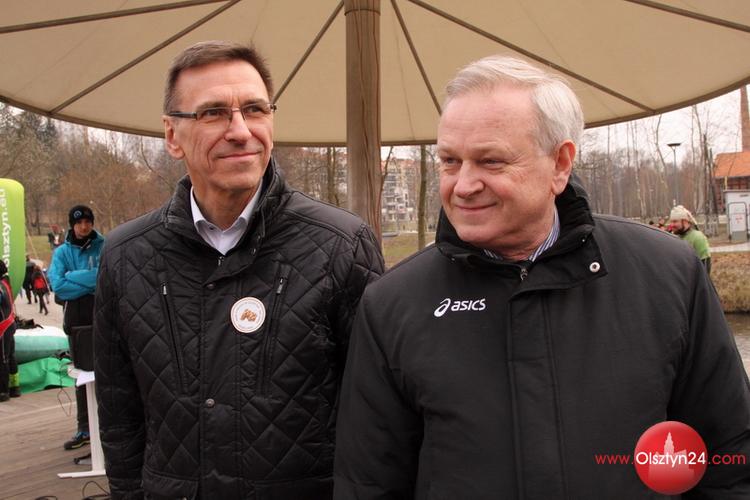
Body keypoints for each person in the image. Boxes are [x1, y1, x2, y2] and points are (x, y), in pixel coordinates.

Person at [334, 56, 750, 499]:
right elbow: (368, 485)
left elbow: (729, 460)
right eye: (450, 161)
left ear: (560, 164)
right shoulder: (392, 304)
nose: (463, 185)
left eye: (491, 161)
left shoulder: (669, 274)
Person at [94, 40, 383, 499]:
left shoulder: (340, 245)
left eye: (254, 109)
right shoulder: (126, 255)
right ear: (172, 135)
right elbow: (119, 414)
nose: (241, 131)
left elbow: (377, 416)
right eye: (213, 113)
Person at [49, 204, 104, 450]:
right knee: (82, 377)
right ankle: (85, 428)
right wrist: (89, 280)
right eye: (79, 223)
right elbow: (58, 286)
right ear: (72, 225)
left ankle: (110, 425)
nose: (84, 227)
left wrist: (73, 275)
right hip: (76, 322)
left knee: (109, 374)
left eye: (88, 222)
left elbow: (104, 277)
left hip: (102, 317)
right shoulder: (62, 252)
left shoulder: (104, 245)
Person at [669, 204, 712, 275]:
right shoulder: (672, 237)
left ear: (685, 221)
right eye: (671, 221)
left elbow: (705, 267)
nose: (671, 225)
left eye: (675, 221)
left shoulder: (698, 238)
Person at [0, 260, 20, 401]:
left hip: (3, 327)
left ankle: (3, 391)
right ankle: (15, 387)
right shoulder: (5, 283)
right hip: (9, 324)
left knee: (2, 358)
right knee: (10, 356)